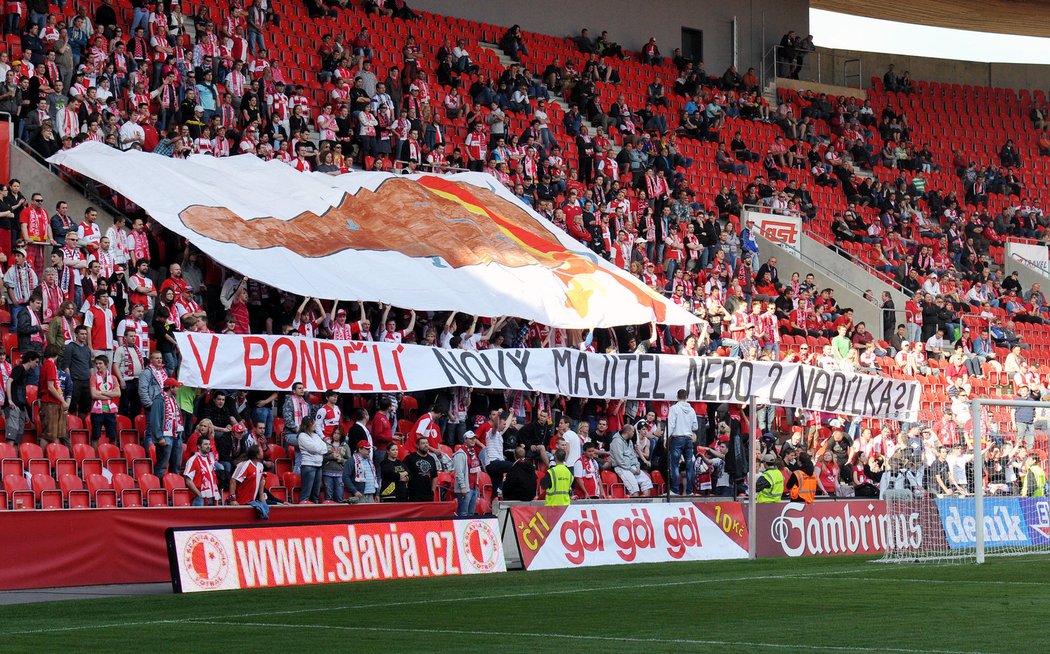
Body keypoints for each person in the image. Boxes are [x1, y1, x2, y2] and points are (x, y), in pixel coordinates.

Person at [4, 351, 39, 444]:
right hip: (13, 406)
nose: (37, 365)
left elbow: (22, 394)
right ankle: (8, 457)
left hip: (20, 407)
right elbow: (9, 382)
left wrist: (26, 413)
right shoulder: (19, 369)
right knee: (11, 436)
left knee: (18, 439)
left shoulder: (25, 373)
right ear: (30, 360)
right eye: (36, 361)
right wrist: (10, 400)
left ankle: (13, 458)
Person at [667, 389, 698, 494]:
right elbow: (695, 426)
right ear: (687, 397)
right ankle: (690, 491)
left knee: (675, 465)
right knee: (690, 466)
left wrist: (666, 438)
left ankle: (675, 490)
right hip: (688, 438)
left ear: (677, 397)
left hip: (677, 439)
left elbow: (670, 425)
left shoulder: (674, 408)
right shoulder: (692, 410)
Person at [610, 424, 653, 497]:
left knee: (647, 482)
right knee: (634, 489)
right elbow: (620, 461)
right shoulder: (616, 441)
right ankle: (634, 506)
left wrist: (637, 466)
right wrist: (632, 469)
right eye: (633, 432)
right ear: (628, 432)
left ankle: (646, 505)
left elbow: (633, 455)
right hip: (622, 467)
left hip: (633, 467)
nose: (634, 433)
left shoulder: (629, 441)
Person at [154, 377, 185, 477]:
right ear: (171, 388)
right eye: (177, 387)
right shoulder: (159, 400)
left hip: (176, 435)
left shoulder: (173, 400)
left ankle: (174, 485)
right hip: (165, 436)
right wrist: (159, 437)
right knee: (162, 464)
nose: (178, 389)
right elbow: (155, 420)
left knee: (176, 464)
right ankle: (158, 488)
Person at [37, 344, 67, 448]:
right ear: (57, 355)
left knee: (54, 435)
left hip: (53, 402)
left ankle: (53, 458)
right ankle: (44, 460)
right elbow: (50, 387)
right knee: (48, 435)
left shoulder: (47, 364)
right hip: (50, 403)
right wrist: (63, 401)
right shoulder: (50, 365)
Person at [88, 354, 120, 447]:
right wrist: (110, 395)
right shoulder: (93, 377)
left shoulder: (113, 378)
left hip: (110, 411)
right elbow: (94, 395)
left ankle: (113, 457)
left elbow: (118, 393)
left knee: (113, 436)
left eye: (100, 363)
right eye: (97, 364)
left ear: (106, 364)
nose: (98, 366)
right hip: (97, 412)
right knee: (95, 436)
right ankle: (95, 459)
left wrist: (101, 393)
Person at [183, 435, 221, 506]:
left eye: (209, 444)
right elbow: (188, 480)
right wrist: (199, 494)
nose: (208, 446)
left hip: (211, 497)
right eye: (205, 444)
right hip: (199, 498)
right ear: (199, 447)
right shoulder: (193, 460)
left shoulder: (209, 460)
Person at [452, 431, 483, 516]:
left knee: (471, 513)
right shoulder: (460, 454)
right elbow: (459, 472)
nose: (473, 440)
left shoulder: (473, 452)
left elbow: (476, 471)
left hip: (473, 487)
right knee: (463, 513)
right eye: (470, 439)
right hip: (466, 488)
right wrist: (463, 487)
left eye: (474, 438)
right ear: (465, 440)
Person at [296, 416, 326, 503]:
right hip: (308, 466)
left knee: (316, 494)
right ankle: (302, 513)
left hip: (319, 466)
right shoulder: (302, 436)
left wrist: (319, 449)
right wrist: (320, 449)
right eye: (313, 423)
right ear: (307, 424)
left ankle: (315, 513)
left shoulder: (316, 435)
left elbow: (325, 448)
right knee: (306, 493)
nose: (315, 425)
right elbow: (314, 448)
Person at [403, 434, 439, 502]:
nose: (426, 445)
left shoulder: (431, 459)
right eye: (423, 443)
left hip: (428, 495)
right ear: (417, 446)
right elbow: (403, 474)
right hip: (414, 494)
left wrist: (432, 491)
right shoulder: (410, 458)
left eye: (427, 443)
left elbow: (434, 476)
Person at [322, 428, 349, 502]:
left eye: (338, 434)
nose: (336, 435)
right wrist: (331, 457)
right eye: (335, 433)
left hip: (340, 473)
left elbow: (349, 461)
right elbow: (322, 459)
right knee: (328, 496)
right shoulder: (327, 445)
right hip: (327, 472)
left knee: (339, 496)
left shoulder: (345, 446)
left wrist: (341, 460)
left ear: (341, 435)